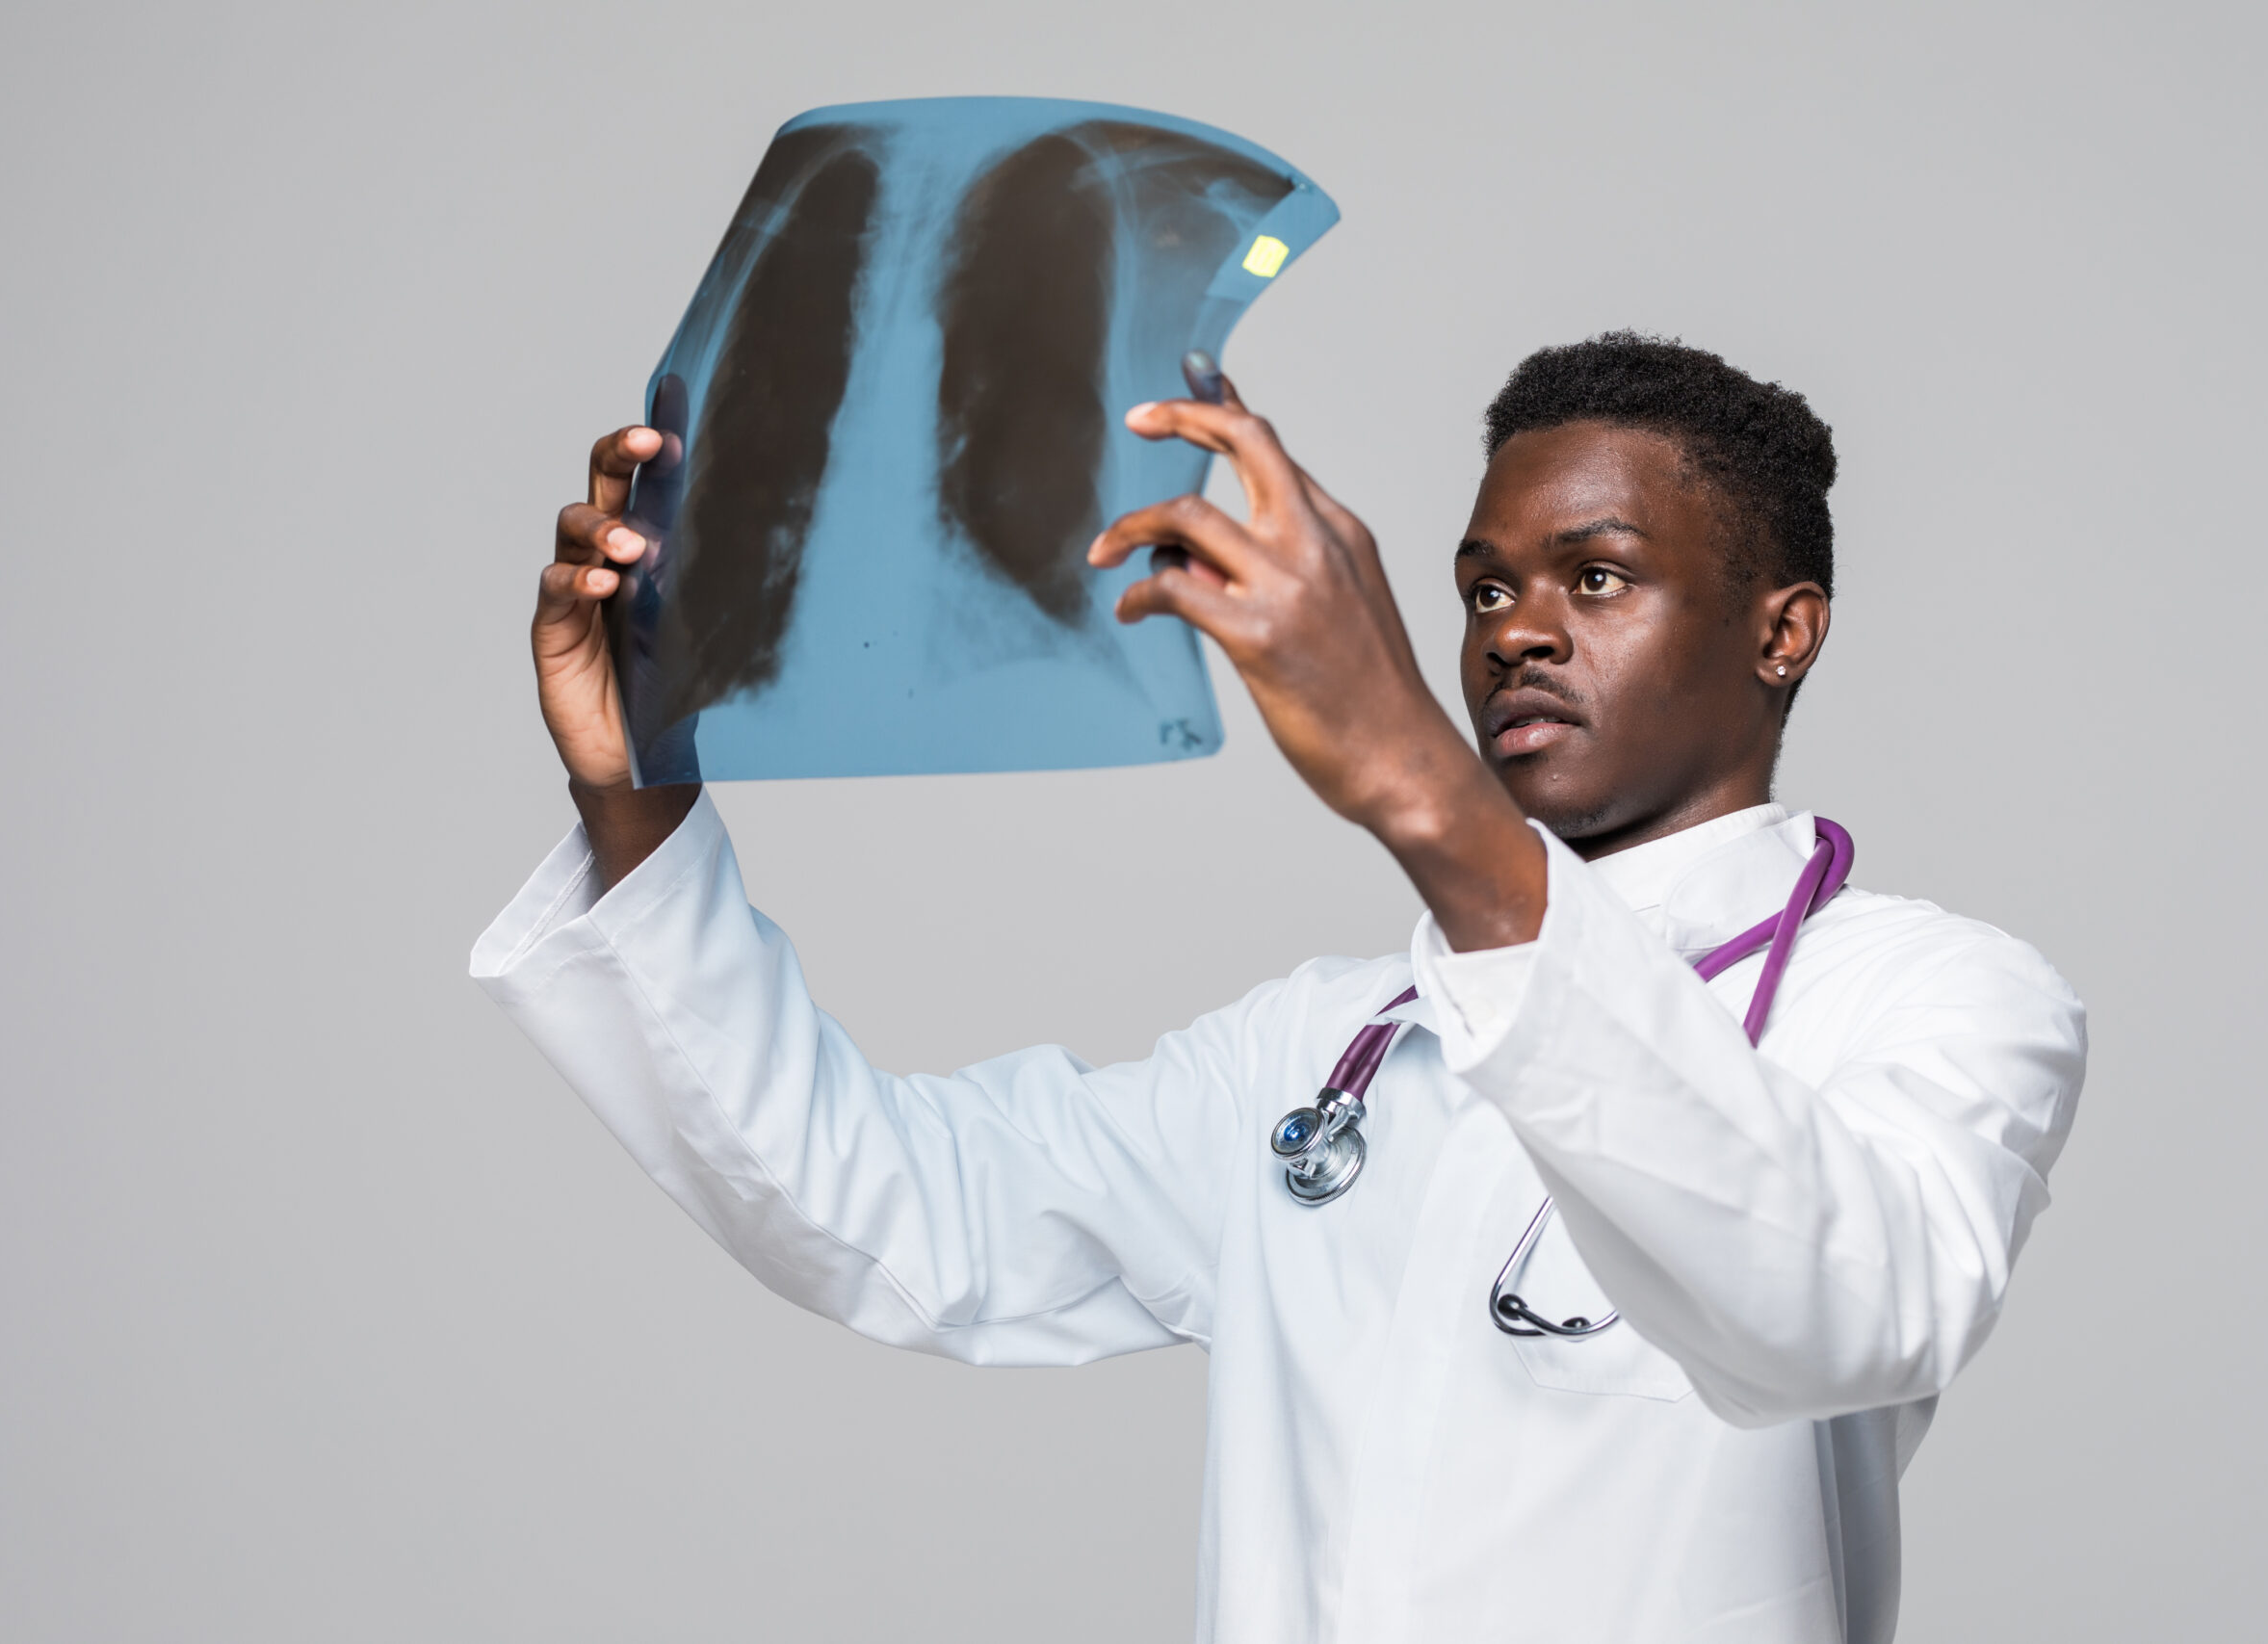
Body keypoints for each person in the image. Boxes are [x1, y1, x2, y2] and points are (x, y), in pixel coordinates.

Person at [472, 333, 2085, 1644]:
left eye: (1596, 578)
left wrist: (1417, 788)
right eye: (1484, 588)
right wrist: (639, 801)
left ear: (1783, 633)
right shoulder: (1322, 1053)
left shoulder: (1938, 1000)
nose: (1519, 631)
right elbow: (891, 1216)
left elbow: (1843, 1311)